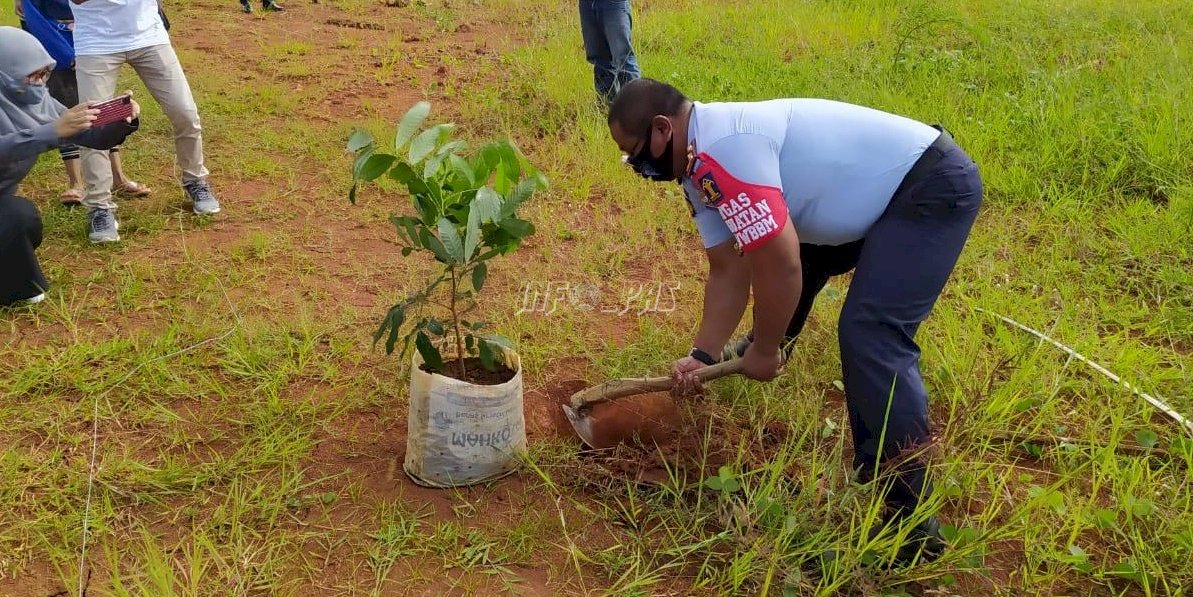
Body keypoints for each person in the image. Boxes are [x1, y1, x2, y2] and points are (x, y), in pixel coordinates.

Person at [607, 78, 983, 565]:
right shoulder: (696, 164)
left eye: (636, 156)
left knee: (871, 332)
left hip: (925, 188)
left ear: (663, 129)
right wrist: (702, 355)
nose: (639, 170)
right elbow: (728, 267)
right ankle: (770, 341)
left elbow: (778, 263)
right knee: (794, 255)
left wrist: (764, 353)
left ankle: (910, 526)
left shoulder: (723, 152)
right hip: (874, 193)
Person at [0, 26, 140, 306]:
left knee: (24, 222)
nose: (40, 83)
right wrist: (51, 131)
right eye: (32, 76)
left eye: (44, 74)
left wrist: (120, 121)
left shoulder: (39, 101)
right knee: (16, 216)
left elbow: (89, 136)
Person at [69, 0, 221, 244]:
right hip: (97, 42)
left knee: (185, 112)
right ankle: (99, 207)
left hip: (149, 37)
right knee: (94, 126)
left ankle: (195, 180)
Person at [16, 0, 152, 207]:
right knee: (67, 106)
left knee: (102, 107)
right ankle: (77, 183)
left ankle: (118, 178)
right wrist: (65, 55)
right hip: (54, 41)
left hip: (95, 38)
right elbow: (33, 16)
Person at [579, 0, 640, 108]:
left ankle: (635, 111)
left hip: (613, 3)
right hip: (587, 4)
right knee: (600, 60)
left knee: (623, 59)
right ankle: (607, 110)